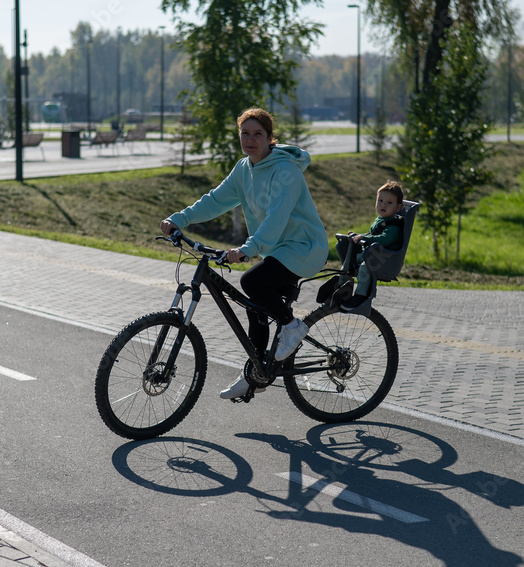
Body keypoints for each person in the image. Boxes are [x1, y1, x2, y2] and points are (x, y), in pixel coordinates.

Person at [160, 107, 329, 400]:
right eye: (245, 133)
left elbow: (277, 217)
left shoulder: (285, 170)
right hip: (278, 249)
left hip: (304, 247)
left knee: (251, 282)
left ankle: (293, 326)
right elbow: (215, 200)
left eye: (257, 134)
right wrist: (180, 219)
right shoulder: (243, 168)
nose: (250, 140)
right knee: (255, 305)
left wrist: (248, 249)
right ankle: (257, 372)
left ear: (270, 137)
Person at [339, 181, 406, 312]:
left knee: (365, 268)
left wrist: (364, 238)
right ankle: (341, 287)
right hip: (372, 254)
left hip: (385, 258)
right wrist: (359, 235)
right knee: (349, 260)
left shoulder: (393, 226)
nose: (383, 205)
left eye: (389, 202)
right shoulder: (382, 220)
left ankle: (360, 296)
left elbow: (384, 239)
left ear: (398, 208)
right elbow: (372, 234)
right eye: (380, 200)